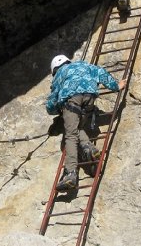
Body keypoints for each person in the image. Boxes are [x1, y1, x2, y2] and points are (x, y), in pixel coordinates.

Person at [46, 54, 127, 191]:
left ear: (55, 69)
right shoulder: (85, 65)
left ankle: (70, 174)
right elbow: (101, 73)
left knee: (70, 135)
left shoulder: (60, 74)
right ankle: (88, 148)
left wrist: (54, 109)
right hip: (89, 99)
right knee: (76, 127)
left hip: (72, 101)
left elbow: (51, 103)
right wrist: (116, 86)